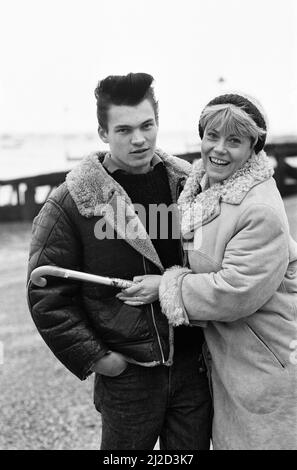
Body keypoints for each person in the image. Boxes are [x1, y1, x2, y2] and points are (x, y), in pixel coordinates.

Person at [26, 73, 212, 450]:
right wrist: (100, 359)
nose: (139, 139)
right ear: (103, 132)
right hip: (129, 375)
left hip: (194, 368)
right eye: (124, 129)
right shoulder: (73, 200)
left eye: (147, 125)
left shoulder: (189, 183)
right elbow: (44, 291)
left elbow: (214, 262)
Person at [153, 93, 297, 450]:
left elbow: (236, 290)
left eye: (234, 140)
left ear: (253, 148)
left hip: (263, 361)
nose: (219, 149)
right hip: (232, 356)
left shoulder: (258, 208)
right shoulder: (206, 186)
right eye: (211, 136)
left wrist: (167, 286)